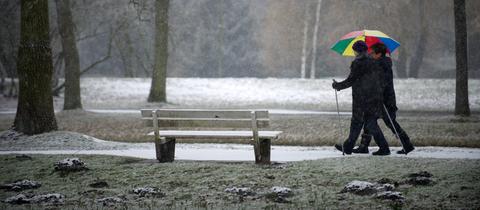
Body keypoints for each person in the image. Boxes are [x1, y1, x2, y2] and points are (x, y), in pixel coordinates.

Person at [352, 43, 415, 154]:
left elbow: (383, 83)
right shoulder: (378, 63)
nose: (370, 55)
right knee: (369, 121)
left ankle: (405, 145)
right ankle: (364, 146)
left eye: (372, 53)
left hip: (385, 100)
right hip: (378, 99)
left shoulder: (382, 65)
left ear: (379, 54)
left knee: (390, 123)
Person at [332, 40, 391, 156]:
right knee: (371, 123)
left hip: (361, 99)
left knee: (356, 122)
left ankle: (348, 147)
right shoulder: (374, 61)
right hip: (375, 97)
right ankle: (384, 148)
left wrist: (337, 86)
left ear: (356, 51)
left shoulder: (358, 63)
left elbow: (351, 80)